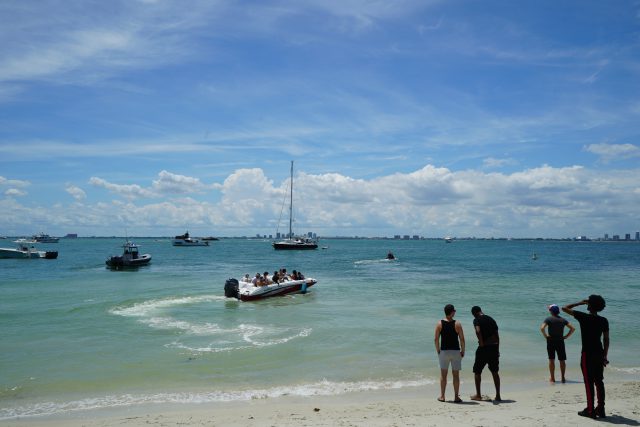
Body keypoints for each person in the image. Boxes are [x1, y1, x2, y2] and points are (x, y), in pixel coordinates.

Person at [562, 295, 609, 419]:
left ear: (589, 305)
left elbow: (564, 308)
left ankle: (590, 410)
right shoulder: (604, 320)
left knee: (588, 382)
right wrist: (605, 355)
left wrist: (580, 302)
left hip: (587, 354)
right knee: (599, 381)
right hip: (599, 353)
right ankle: (601, 409)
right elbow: (606, 339)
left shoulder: (583, 317)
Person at [434, 304, 465, 403]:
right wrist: (463, 350)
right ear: (452, 312)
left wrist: (438, 350)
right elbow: (462, 339)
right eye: (454, 311)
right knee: (456, 375)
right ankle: (456, 397)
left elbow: (436, 339)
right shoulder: (457, 324)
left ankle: (442, 396)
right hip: (455, 351)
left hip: (444, 351)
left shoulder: (439, 323)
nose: (455, 312)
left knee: (443, 375)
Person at [470, 306, 501, 401]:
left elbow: (478, 331)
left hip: (484, 348)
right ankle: (498, 395)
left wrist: (482, 343)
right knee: (495, 372)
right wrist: (497, 349)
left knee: (477, 371)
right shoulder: (491, 319)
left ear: (474, 313)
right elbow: (497, 336)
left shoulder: (477, 320)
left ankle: (478, 395)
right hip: (494, 347)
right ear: (481, 311)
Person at [540, 304, 575, 383]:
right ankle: (563, 378)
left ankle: (552, 378)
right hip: (560, 341)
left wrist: (546, 336)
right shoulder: (563, 320)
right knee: (562, 360)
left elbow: (542, 328)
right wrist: (566, 336)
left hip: (551, 341)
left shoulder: (548, 319)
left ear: (551, 311)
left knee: (551, 359)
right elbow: (573, 328)